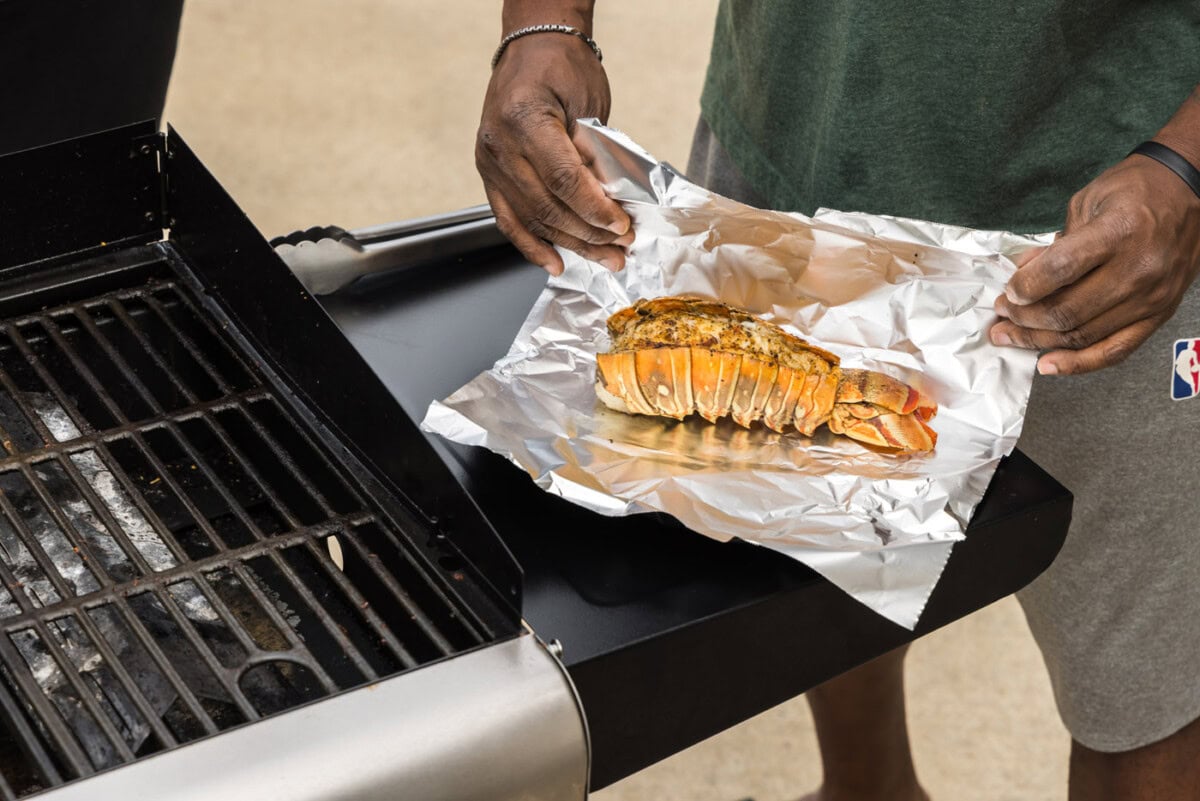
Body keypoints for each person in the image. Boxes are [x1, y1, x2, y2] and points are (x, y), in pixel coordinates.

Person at [476, 2, 1200, 799]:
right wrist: (542, 23)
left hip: (1127, 222)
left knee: (1148, 683)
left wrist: (1189, 164)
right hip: (790, 134)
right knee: (822, 548)